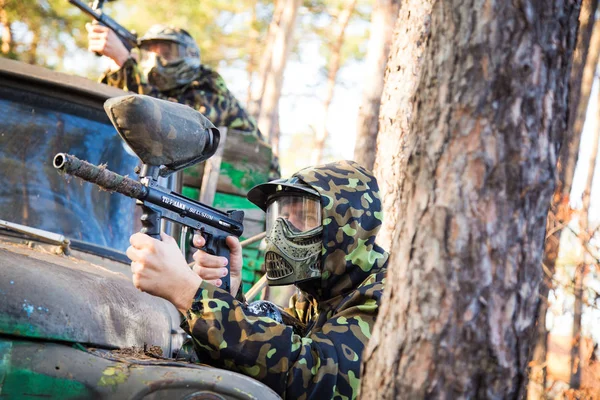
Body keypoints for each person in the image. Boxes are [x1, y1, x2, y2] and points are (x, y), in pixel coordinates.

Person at [126, 160, 389, 399]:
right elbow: (276, 345)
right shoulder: (321, 294)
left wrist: (191, 294)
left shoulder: (385, 296)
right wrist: (230, 293)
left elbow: (316, 376)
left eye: (306, 217)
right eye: (284, 215)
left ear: (349, 228)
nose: (283, 230)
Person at [87, 23, 261, 138]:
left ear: (190, 55)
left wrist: (125, 62)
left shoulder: (209, 85)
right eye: (150, 55)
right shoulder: (159, 89)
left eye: (167, 54)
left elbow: (174, 123)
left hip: (258, 184)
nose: (156, 62)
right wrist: (118, 69)